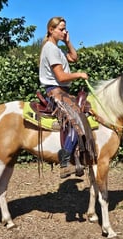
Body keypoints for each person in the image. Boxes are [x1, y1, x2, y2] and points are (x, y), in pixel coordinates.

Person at [39, 17, 88, 178]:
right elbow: (60, 76)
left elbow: (74, 58)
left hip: (62, 92)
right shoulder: (50, 49)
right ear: (51, 30)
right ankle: (64, 163)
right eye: (61, 29)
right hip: (56, 91)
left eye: (65, 29)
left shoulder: (57, 49)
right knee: (75, 122)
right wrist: (79, 74)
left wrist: (68, 42)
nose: (64, 32)